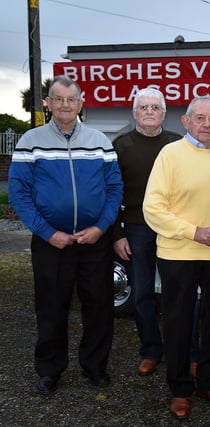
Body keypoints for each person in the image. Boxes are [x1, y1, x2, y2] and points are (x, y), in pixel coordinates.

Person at [8, 75, 123, 393]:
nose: (64, 105)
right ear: (47, 103)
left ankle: (95, 367)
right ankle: (49, 370)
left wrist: (101, 227)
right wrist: (47, 232)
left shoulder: (100, 141)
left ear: (81, 102)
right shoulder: (30, 140)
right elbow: (19, 192)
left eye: (71, 99)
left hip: (93, 242)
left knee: (99, 306)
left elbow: (115, 189)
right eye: (57, 99)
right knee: (51, 307)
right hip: (51, 244)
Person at [143, 96, 210, 419]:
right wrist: (193, 231)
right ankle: (180, 388)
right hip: (178, 253)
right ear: (186, 121)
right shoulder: (169, 154)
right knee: (179, 322)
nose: (206, 125)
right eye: (200, 118)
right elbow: (152, 209)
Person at [111, 88, 183, 376]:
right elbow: (111, 192)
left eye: (155, 107)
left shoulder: (177, 143)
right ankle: (151, 351)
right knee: (141, 293)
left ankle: (183, 352)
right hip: (137, 229)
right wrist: (116, 233)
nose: (150, 111)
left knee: (178, 293)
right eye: (144, 107)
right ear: (135, 113)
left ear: (164, 113)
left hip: (173, 229)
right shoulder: (121, 145)